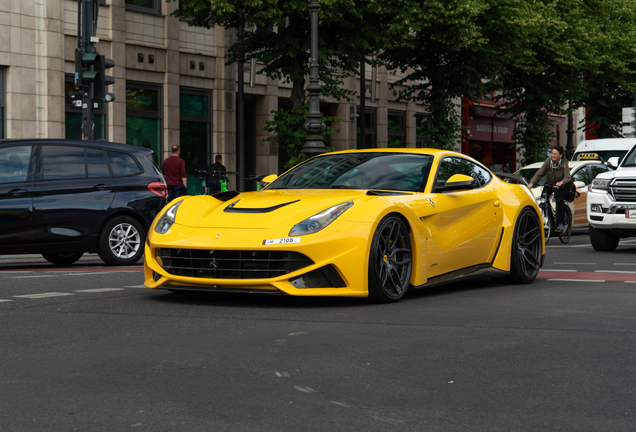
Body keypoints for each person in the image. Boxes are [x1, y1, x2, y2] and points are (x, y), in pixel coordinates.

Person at [528, 145, 571, 232]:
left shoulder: (564, 163)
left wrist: (561, 182)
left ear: (561, 155)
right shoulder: (548, 161)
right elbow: (539, 173)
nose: (553, 155)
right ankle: (551, 221)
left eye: (555, 154)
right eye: (552, 153)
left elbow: (567, 177)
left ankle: (561, 223)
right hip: (550, 183)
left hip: (562, 184)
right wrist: (532, 183)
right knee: (544, 199)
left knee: (559, 200)